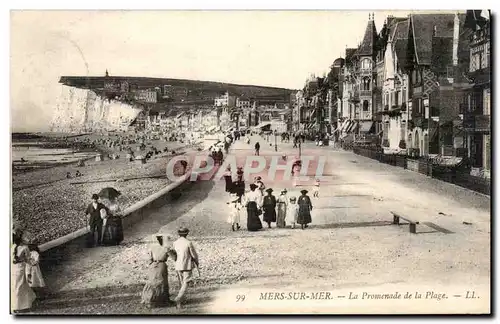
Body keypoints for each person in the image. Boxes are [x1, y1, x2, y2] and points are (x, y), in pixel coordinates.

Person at [141, 234, 177, 308]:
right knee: (162, 283)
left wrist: (152, 264)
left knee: (152, 282)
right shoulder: (165, 248)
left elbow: (149, 259)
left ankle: (149, 300)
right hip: (161, 265)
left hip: (153, 265)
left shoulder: (152, 247)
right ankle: (163, 301)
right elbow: (174, 258)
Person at [173, 227, 199, 309]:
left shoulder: (175, 243)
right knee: (186, 283)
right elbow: (194, 255)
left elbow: (174, 254)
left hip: (178, 265)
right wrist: (196, 262)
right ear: (187, 234)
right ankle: (179, 298)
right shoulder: (188, 243)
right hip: (187, 265)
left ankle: (182, 301)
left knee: (181, 282)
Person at [11, 230, 36, 313]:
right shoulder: (25, 248)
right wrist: (34, 262)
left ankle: (15, 305)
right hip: (21, 268)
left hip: (13, 268)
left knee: (15, 286)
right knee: (20, 287)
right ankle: (20, 306)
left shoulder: (12, 247)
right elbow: (29, 259)